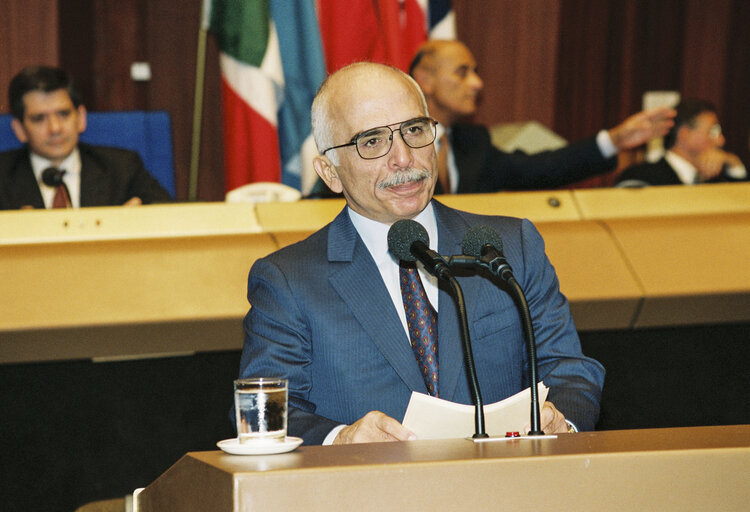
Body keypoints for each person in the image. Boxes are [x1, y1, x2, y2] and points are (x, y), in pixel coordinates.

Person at [237, 62, 605, 446]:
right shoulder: (289, 279)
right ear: (330, 173)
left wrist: (563, 422)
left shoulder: (510, 246)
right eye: (373, 141)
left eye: (414, 130)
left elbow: (569, 369)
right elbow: (262, 408)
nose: (403, 158)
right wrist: (339, 439)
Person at [408, 39, 676, 194]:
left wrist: (614, 140)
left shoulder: (473, 142)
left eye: (475, 72)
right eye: (462, 72)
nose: (477, 83)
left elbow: (541, 169)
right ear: (425, 80)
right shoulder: (396, 143)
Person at [0, 66, 172, 210]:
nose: (55, 128)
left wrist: (138, 220)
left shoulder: (121, 168)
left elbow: (170, 215)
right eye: (39, 119)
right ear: (20, 129)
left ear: (81, 118)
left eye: (63, 114)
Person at [615, 98, 747, 186]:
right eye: (713, 131)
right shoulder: (641, 178)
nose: (720, 140)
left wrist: (734, 165)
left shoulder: (717, 180)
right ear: (684, 134)